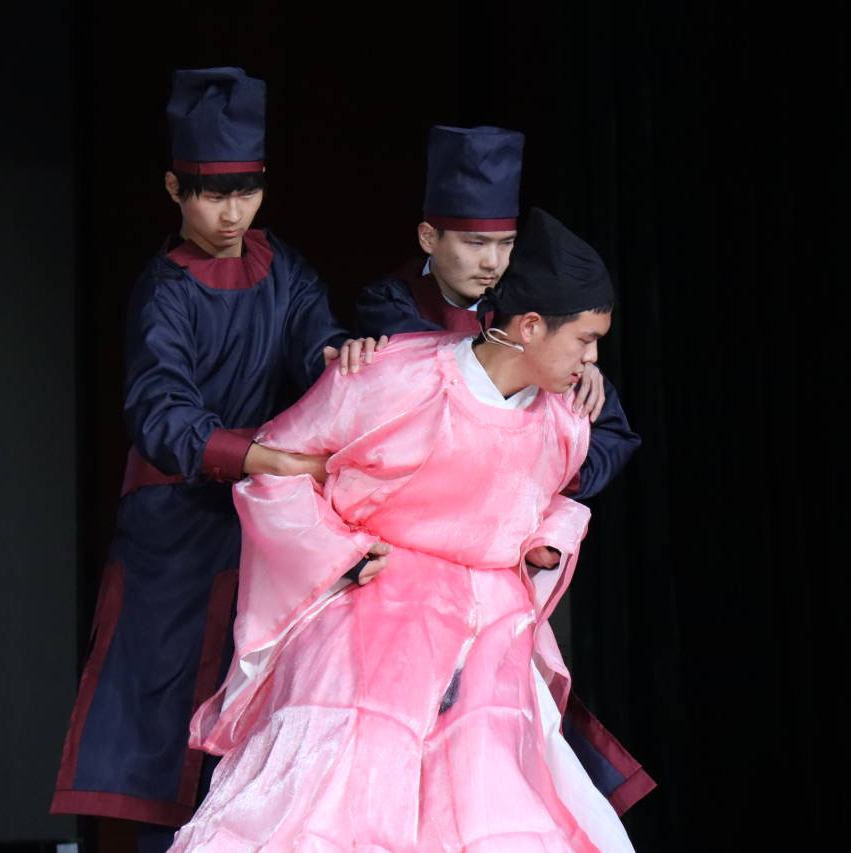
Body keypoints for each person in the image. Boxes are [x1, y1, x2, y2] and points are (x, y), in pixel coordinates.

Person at [169, 208, 645, 852]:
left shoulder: (563, 418)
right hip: (373, 618)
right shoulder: (394, 376)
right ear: (531, 326)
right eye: (585, 340)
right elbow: (277, 471)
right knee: (338, 813)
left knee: (496, 815)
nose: (593, 361)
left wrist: (543, 543)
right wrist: (340, 552)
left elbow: (553, 500)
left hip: (489, 632)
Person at [50, 67, 381, 848]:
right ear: (175, 189)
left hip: (265, 524)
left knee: (266, 719)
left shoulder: (284, 268)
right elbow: (161, 414)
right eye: (212, 194)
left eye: (247, 191)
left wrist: (343, 357)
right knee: (169, 726)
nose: (232, 213)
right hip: (177, 526)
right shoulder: (162, 291)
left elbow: (318, 342)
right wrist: (265, 457)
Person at [355, 125, 640, 500]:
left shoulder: (528, 306)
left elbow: (613, 434)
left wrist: (571, 361)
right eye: (475, 244)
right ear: (428, 237)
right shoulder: (389, 304)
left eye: (506, 244)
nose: (492, 262)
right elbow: (443, 367)